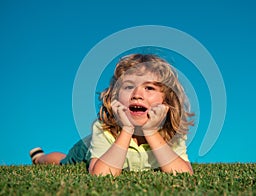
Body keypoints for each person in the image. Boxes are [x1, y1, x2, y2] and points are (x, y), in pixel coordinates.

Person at [30, 54, 194, 176]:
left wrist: (151, 132)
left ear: (167, 101)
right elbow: (101, 174)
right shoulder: (103, 129)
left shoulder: (172, 133)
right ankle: (40, 158)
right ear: (115, 97)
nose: (137, 94)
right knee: (63, 161)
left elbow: (184, 174)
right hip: (87, 148)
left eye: (149, 88)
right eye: (129, 87)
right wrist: (127, 129)